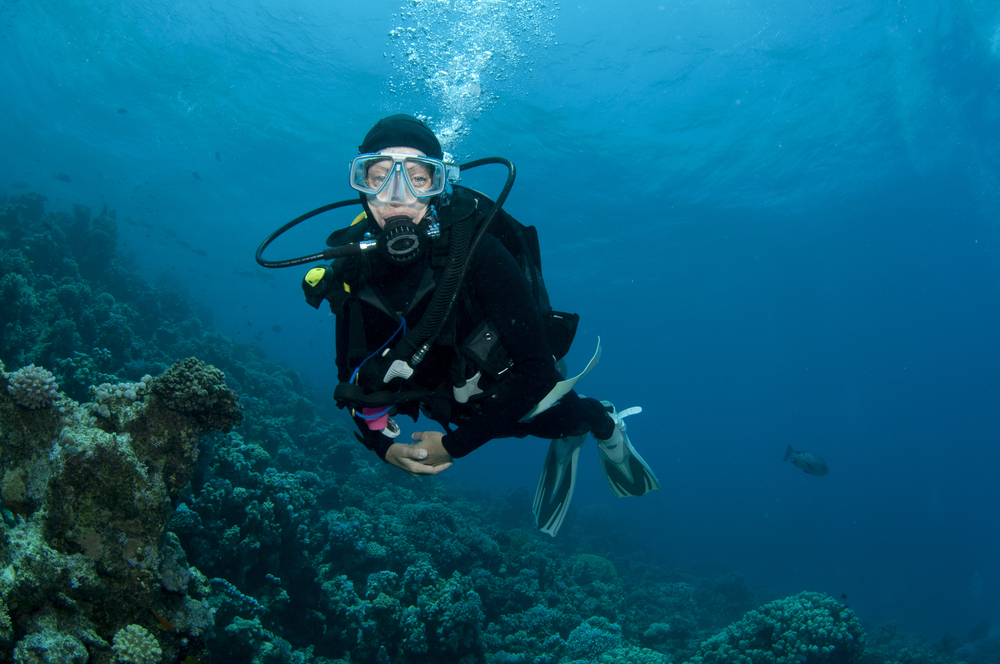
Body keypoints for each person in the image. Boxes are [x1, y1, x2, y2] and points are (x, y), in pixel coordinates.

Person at [306, 114, 659, 536]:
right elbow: (353, 378)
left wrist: (455, 445)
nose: (395, 197)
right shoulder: (352, 267)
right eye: (378, 176)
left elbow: (536, 371)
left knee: (556, 419)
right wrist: (383, 447)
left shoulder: (479, 253)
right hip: (433, 391)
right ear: (359, 185)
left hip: (499, 393)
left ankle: (603, 422)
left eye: (418, 179)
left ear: (440, 186)